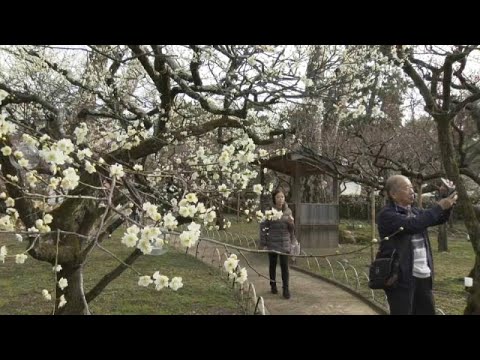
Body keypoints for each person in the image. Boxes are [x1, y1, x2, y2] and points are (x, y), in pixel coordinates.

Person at [376, 175, 457, 315]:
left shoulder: (415, 212)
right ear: (393, 194)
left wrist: (446, 197)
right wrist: (440, 206)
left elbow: (439, 218)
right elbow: (413, 225)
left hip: (423, 275)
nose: (412, 191)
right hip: (400, 277)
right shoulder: (387, 215)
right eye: (407, 188)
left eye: (412, 188)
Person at [259, 189, 295, 299]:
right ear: (274, 199)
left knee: (285, 266)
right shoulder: (269, 211)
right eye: (278, 197)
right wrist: (263, 242)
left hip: (284, 242)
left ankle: (286, 289)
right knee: (272, 265)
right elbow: (263, 228)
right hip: (272, 242)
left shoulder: (288, 211)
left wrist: (291, 223)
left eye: (282, 197)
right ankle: (273, 285)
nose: (281, 199)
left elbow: (291, 230)